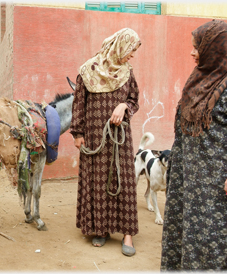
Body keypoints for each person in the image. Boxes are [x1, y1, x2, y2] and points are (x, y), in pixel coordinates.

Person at [160, 20, 227, 271]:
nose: (192, 52)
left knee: (209, 243)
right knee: (180, 235)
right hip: (186, 179)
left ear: (214, 48)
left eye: (197, 47)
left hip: (213, 187)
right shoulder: (199, 77)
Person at [70, 28, 141, 257]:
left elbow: (134, 100)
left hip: (120, 138)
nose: (131, 56)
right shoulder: (87, 70)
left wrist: (124, 106)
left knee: (125, 181)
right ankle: (100, 229)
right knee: (98, 182)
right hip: (94, 136)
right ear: (118, 45)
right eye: (130, 51)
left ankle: (128, 234)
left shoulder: (127, 73)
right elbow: (79, 104)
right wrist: (78, 134)